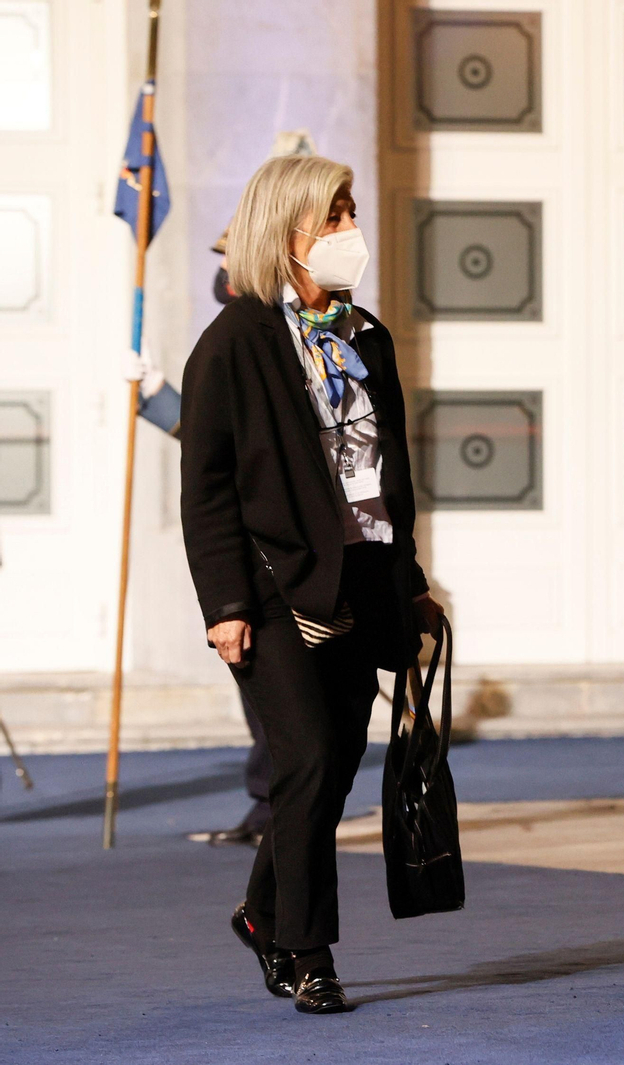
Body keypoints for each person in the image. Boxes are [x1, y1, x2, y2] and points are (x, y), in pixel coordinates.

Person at [180, 154, 443, 1014]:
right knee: (308, 756)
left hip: (361, 576)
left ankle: (262, 914)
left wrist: (410, 584)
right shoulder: (233, 343)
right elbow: (207, 489)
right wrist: (223, 606)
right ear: (285, 229)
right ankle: (309, 951)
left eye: (350, 211)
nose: (348, 230)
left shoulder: (368, 335)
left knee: (326, 774)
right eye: (332, 216)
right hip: (269, 587)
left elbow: (391, 475)